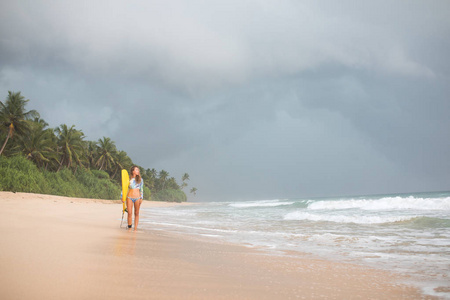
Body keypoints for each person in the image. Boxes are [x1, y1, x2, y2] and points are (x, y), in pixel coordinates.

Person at [126, 166, 144, 231]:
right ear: (133, 171)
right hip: (129, 197)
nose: (138, 171)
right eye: (136, 170)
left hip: (137, 197)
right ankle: (129, 227)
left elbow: (141, 189)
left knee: (136, 213)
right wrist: (122, 196)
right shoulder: (128, 179)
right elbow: (124, 188)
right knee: (129, 213)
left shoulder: (140, 180)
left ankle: (135, 228)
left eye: (138, 170)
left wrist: (141, 198)